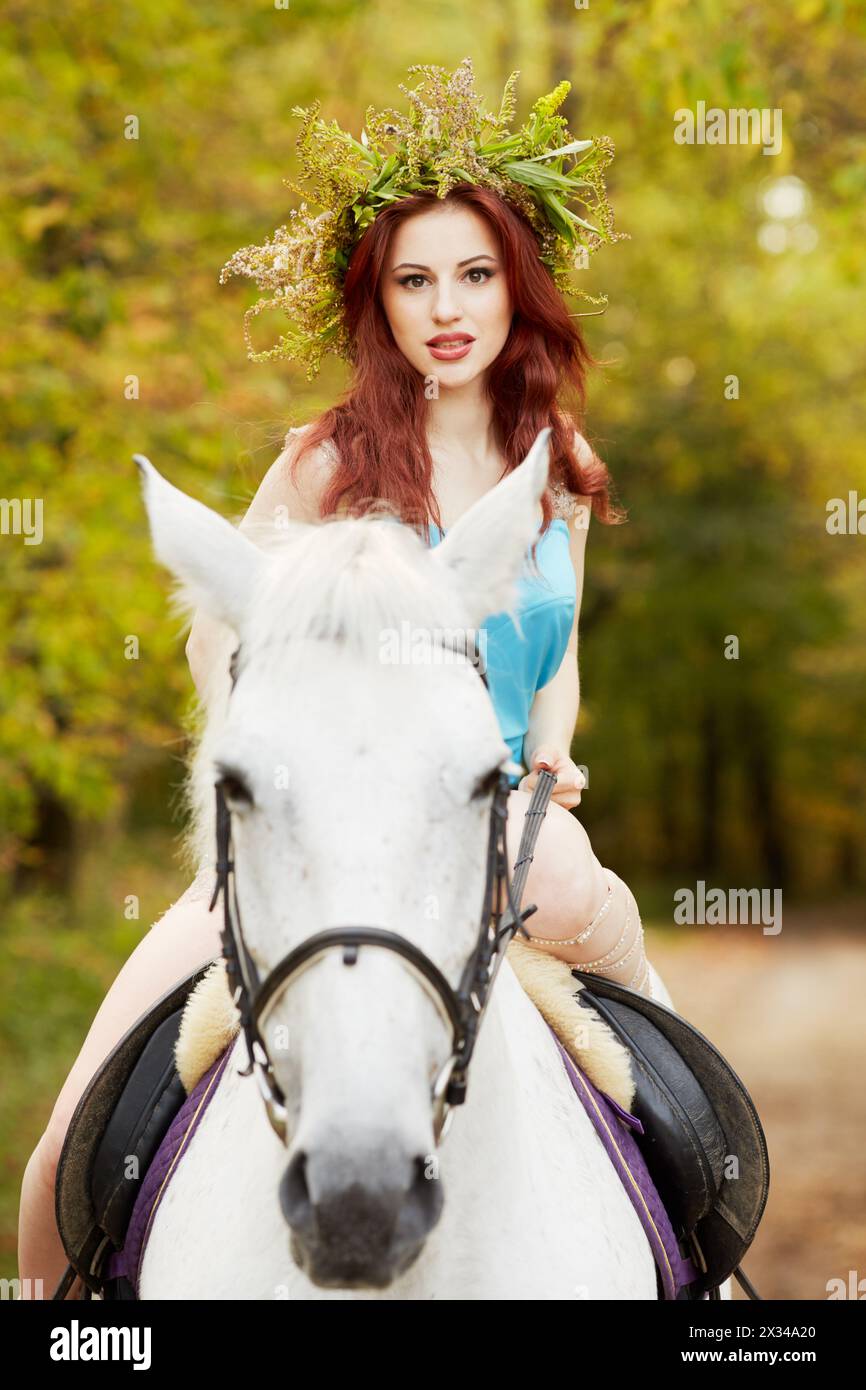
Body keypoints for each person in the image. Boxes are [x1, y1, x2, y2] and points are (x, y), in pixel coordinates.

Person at [17, 58, 667, 1298]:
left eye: (473, 274)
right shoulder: (325, 462)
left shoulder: (561, 462)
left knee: (669, 1067)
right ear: (379, 304)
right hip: (321, 823)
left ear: (515, 287)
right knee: (57, 1173)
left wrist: (552, 749)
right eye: (414, 280)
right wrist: (262, 742)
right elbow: (224, 620)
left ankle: (701, 1256)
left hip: (499, 821)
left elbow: (558, 649)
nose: (447, 306)